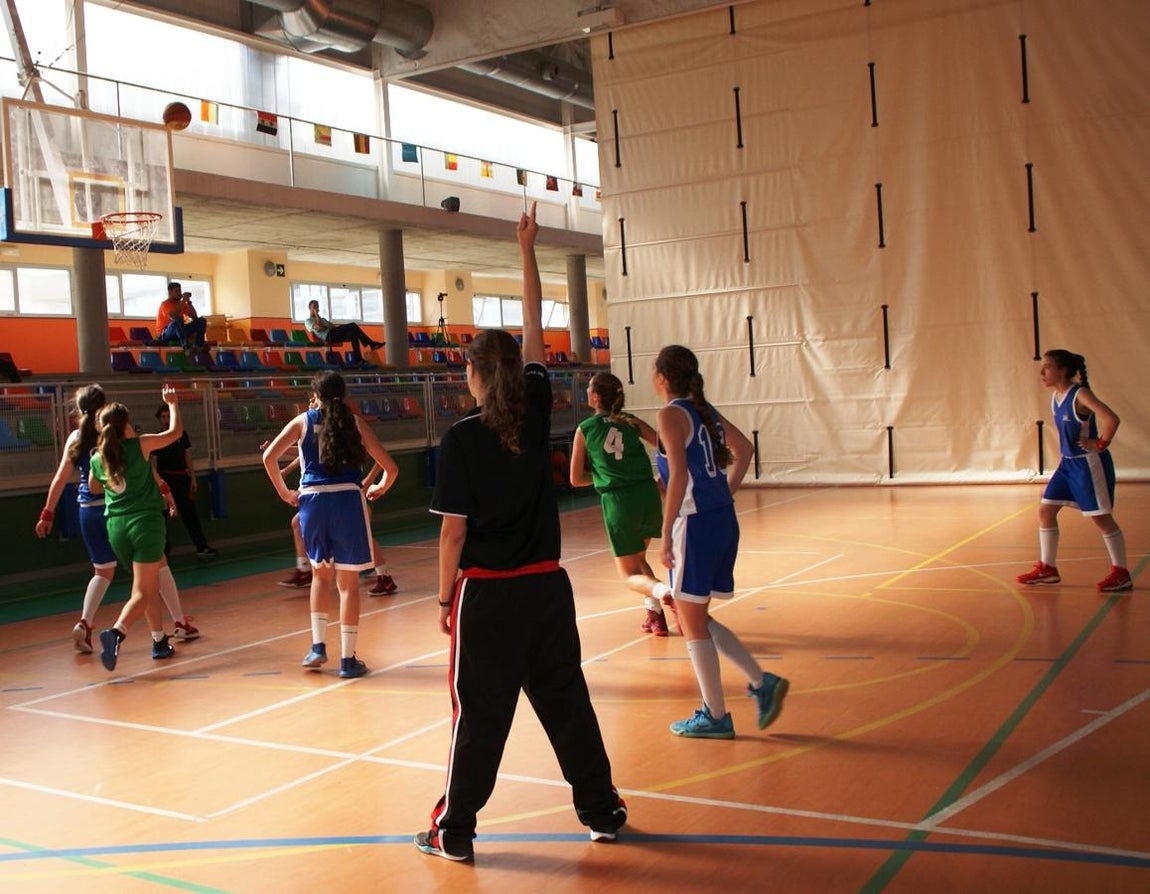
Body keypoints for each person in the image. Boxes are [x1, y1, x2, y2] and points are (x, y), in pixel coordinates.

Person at [415, 203, 626, 862]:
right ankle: (603, 811)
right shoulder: (534, 415)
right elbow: (538, 324)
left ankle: (455, 832)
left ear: (475, 374)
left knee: (478, 717)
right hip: (546, 592)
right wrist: (526, 249)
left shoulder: (460, 439)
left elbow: (453, 535)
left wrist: (446, 599)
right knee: (568, 703)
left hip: (488, 596)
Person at [653, 344, 788, 739]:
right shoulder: (703, 410)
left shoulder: (669, 414)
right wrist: (724, 493)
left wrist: (665, 534)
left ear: (661, 377)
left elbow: (678, 475)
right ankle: (761, 683)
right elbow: (744, 449)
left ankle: (716, 715)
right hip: (722, 520)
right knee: (695, 617)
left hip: (694, 525)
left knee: (689, 621)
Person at [261, 372, 398, 678]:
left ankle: (318, 646)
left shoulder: (303, 421)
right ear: (343, 395)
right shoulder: (355, 423)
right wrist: (379, 488)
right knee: (347, 584)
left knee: (320, 578)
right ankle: (348, 660)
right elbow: (391, 468)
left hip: (313, 501)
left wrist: (285, 492)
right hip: (347, 501)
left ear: (316, 395)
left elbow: (269, 457)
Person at [90, 385, 189, 671]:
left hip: (116, 527)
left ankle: (159, 641)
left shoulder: (98, 458)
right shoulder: (140, 445)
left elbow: (96, 487)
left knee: (149, 582)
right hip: (144, 523)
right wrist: (172, 404)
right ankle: (116, 632)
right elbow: (175, 433)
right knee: (143, 592)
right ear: (126, 427)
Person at [1016, 349, 1132, 592]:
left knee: (1101, 519)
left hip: (1087, 464)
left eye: (1047, 367)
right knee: (1046, 510)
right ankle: (1048, 568)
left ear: (1063, 371)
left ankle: (1121, 572)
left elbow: (1112, 419)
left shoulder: (1080, 394)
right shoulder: (1055, 398)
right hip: (1067, 464)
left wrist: (1100, 443)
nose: (1042, 372)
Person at [569, 371, 674, 635]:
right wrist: (663, 477)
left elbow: (575, 479)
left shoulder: (585, 429)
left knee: (629, 575)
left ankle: (666, 592)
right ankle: (655, 618)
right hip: (648, 494)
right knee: (639, 560)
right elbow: (667, 446)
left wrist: (605, 476)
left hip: (619, 501)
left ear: (594, 397)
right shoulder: (631, 422)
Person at [35, 384, 119, 652]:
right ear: (104, 406)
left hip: (86, 511)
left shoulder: (74, 437)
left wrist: (47, 512)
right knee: (152, 564)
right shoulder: (111, 434)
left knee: (102, 571)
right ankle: (172, 624)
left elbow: (60, 478)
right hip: (112, 508)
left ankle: (85, 623)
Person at [152, 404, 217, 559]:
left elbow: (188, 457)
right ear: (159, 419)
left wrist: (193, 478)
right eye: (163, 417)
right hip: (165, 481)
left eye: (168, 416)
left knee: (190, 514)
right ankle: (163, 550)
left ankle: (201, 546)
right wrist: (159, 484)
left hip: (182, 479)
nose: (166, 420)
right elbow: (153, 463)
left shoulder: (182, 435)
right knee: (162, 516)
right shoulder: (156, 439)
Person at [303, 299, 384, 364]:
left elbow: (333, 327)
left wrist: (325, 325)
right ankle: (371, 344)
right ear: (310, 308)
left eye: (317, 306)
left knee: (354, 334)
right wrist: (317, 315)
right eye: (314, 306)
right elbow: (319, 328)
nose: (316, 308)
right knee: (353, 325)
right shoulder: (308, 321)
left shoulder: (323, 319)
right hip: (328, 336)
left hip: (333, 333)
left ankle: (359, 359)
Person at [155, 282, 207, 348]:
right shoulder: (165, 304)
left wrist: (188, 302)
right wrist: (183, 301)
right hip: (166, 334)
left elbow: (194, 317)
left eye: (180, 291)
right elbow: (173, 317)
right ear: (170, 292)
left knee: (201, 320)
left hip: (181, 329)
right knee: (177, 320)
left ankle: (200, 345)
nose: (180, 293)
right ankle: (185, 345)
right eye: (177, 291)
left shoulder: (183, 304)